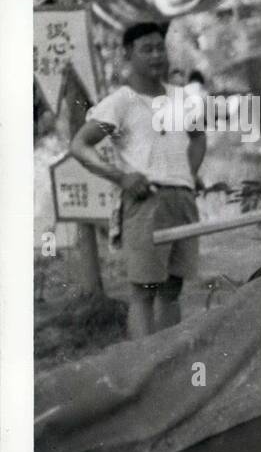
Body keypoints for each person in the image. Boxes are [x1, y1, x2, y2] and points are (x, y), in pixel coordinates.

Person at [71, 21, 204, 340]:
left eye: (161, 48)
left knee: (172, 289)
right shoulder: (121, 101)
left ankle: (168, 362)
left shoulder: (181, 97)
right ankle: (143, 370)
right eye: (147, 49)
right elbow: (79, 145)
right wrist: (122, 177)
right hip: (146, 203)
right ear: (128, 54)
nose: (157, 55)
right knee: (144, 291)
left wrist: (187, 175)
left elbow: (198, 138)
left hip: (181, 201)